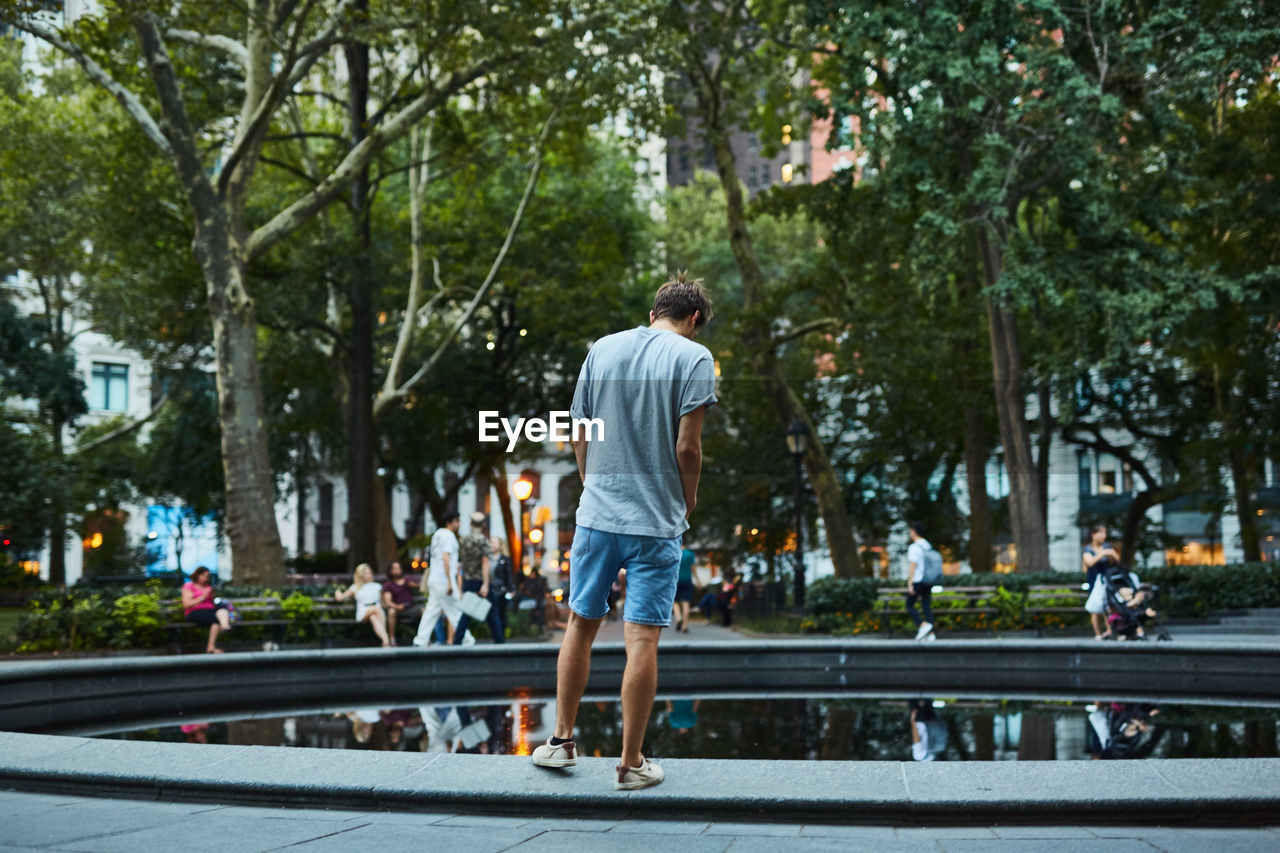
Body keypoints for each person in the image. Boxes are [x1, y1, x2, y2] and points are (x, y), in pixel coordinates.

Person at [531, 272, 716, 791]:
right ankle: (631, 764)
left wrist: (592, 487)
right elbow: (688, 448)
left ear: (654, 308)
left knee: (580, 625)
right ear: (695, 318)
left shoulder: (603, 349)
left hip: (598, 516)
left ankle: (562, 741)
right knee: (642, 641)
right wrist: (688, 500)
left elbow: (580, 430)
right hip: (656, 523)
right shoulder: (694, 359)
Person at [454, 512, 507, 644]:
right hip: (479, 581)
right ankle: (500, 642)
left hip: (468, 580)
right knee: (492, 610)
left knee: (466, 612)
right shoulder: (483, 540)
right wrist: (485, 584)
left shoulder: (463, 540)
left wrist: (460, 584)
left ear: (470, 523)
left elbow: (460, 564)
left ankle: (457, 641)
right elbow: (485, 562)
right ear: (483, 524)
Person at [413, 511, 465, 646]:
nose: (459, 524)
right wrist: (449, 581)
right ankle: (466, 638)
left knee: (432, 610)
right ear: (450, 522)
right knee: (455, 610)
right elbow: (446, 557)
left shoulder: (437, 534)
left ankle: (421, 639)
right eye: (457, 521)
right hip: (443, 580)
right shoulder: (448, 536)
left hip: (435, 578)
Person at [333, 563, 391, 647]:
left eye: (370, 572)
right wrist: (337, 592)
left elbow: (384, 603)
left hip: (377, 612)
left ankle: (385, 641)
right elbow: (340, 598)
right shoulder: (355, 587)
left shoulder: (377, 586)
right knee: (376, 609)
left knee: (373, 617)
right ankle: (387, 639)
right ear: (360, 575)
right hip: (364, 611)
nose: (369, 575)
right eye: (366, 573)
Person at [182, 566, 231, 654]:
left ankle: (225, 627)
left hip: (209, 612)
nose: (206, 578)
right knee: (216, 620)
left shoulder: (208, 587)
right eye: (204, 575)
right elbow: (187, 604)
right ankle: (212, 645)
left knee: (222, 611)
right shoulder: (189, 586)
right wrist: (203, 597)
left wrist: (212, 595)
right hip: (194, 612)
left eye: (208, 576)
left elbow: (211, 603)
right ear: (197, 575)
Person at [1083, 524, 1120, 640]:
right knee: (1095, 607)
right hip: (1094, 580)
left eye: (1105, 533)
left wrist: (1112, 555)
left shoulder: (1107, 546)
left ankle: (1110, 631)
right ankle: (1098, 633)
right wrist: (1102, 554)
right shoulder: (1088, 549)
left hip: (1107, 579)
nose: (1104, 535)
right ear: (1093, 535)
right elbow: (1090, 563)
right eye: (1101, 533)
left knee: (1108, 606)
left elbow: (1117, 561)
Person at [905, 522, 938, 641]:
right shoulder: (927, 545)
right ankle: (931, 634)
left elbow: (913, 565)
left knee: (909, 605)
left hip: (918, 580)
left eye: (910, 530)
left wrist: (910, 583)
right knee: (926, 606)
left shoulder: (914, 547)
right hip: (929, 580)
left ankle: (923, 625)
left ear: (914, 531)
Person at [381, 562, 419, 646]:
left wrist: (415, 585)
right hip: (397, 609)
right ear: (390, 571)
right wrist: (397, 606)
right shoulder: (388, 585)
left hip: (411, 608)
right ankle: (392, 639)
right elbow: (388, 601)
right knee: (391, 612)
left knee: (425, 612)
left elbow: (421, 585)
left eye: (399, 568)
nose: (398, 570)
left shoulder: (408, 579)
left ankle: (423, 637)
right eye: (395, 568)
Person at [489, 536, 515, 640]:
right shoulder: (487, 558)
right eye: (491, 542)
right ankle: (497, 635)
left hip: (501, 591)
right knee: (492, 615)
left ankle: (501, 637)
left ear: (500, 545)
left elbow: (509, 575)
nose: (492, 545)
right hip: (490, 590)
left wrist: (512, 589)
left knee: (501, 614)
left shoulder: (505, 559)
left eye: (495, 543)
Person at [672, 540, 695, 633]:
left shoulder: (674, 552)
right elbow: (693, 569)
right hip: (687, 580)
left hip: (675, 580)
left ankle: (678, 617)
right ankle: (685, 625)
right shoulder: (690, 554)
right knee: (686, 603)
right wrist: (697, 580)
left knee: (675, 602)